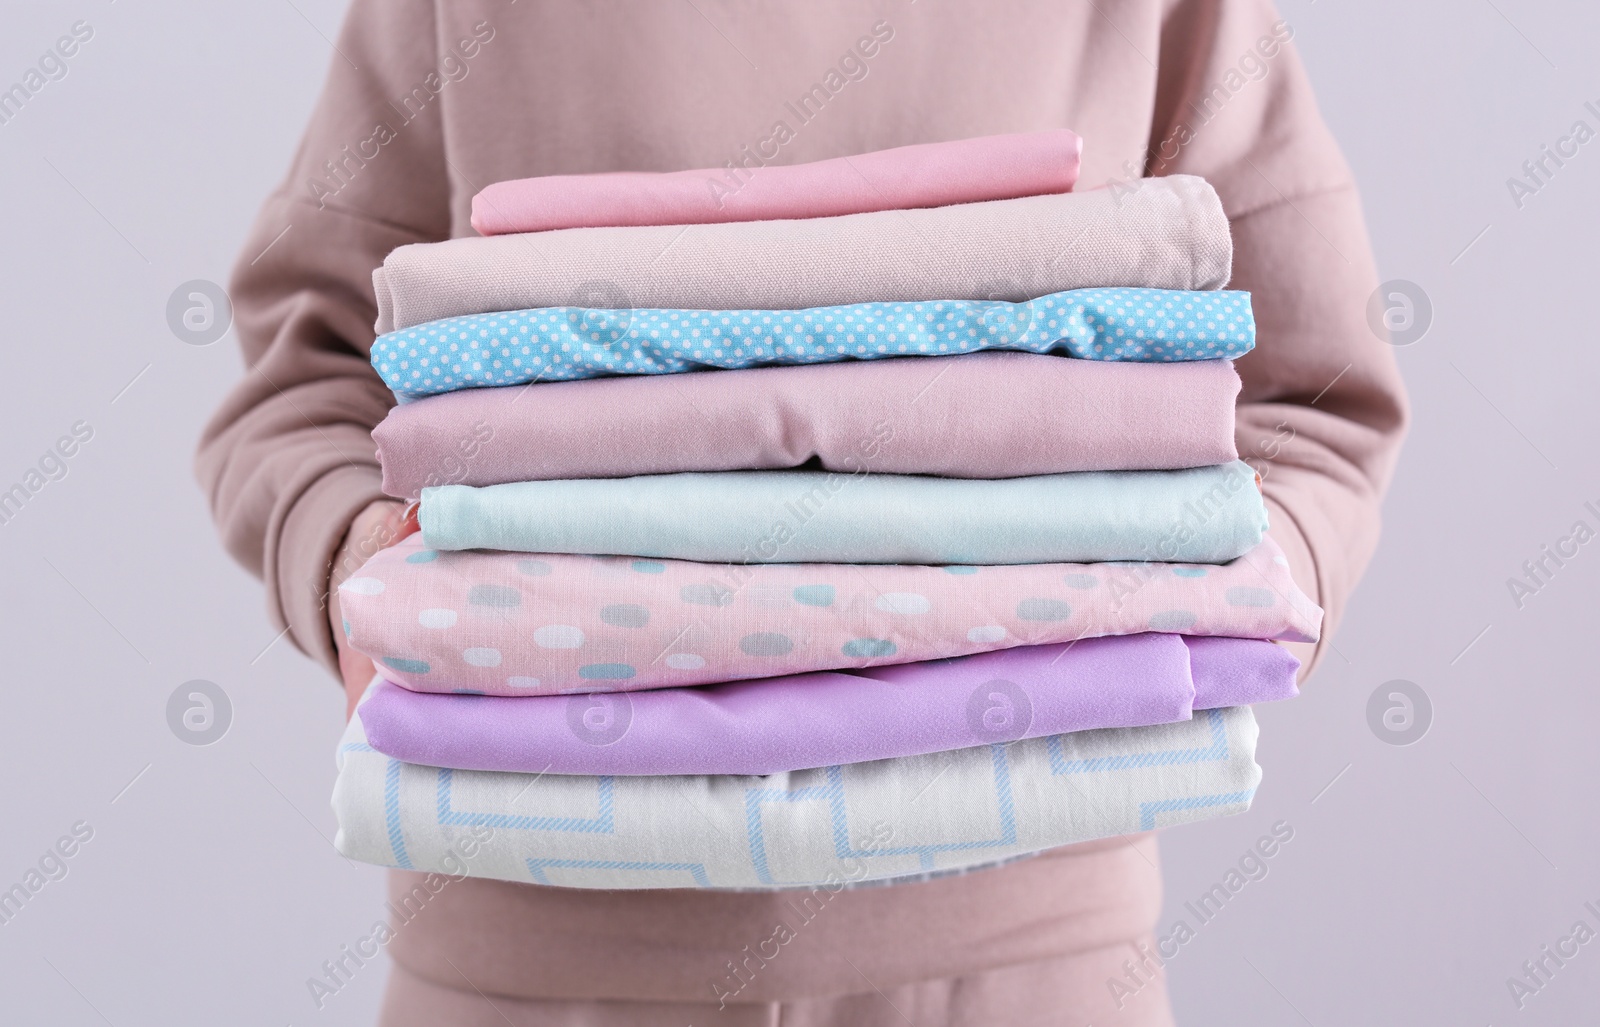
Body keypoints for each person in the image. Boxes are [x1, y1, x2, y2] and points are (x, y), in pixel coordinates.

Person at [196, 1, 1407, 1023]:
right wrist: (362, 570)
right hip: (538, 955)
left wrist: (1222, 603)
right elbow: (313, 364)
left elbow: (1310, 392)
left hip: (1025, 961)